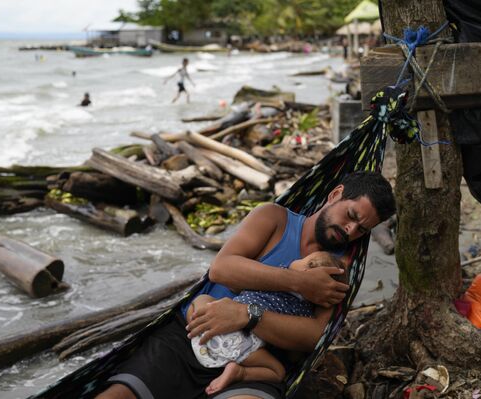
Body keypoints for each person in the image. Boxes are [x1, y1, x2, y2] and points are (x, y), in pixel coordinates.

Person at [95, 171, 395, 399]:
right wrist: (298, 281)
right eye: (352, 216)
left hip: (254, 363)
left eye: (362, 229)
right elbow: (222, 269)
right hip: (191, 336)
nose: (351, 229)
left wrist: (249, 316)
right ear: (335, 195)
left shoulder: (339, 268)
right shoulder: (274, 219)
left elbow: (313, 337)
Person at [187, 251, 349, 395]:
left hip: (215, 324)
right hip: (245, 347)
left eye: (304, 258)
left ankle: (196, 328)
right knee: (277, 372)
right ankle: (240, 373)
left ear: (308, 267)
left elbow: (236, 288)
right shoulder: (304, 311)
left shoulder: (272, 277)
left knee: (202, 300)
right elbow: (295, 354)